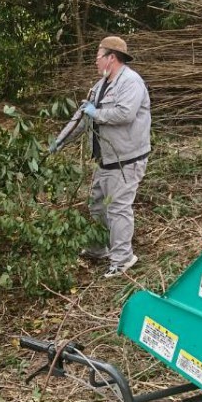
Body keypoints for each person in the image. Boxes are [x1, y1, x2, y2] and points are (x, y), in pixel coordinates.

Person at [50, 36, 152, 278]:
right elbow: (81, 117)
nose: (95, 61)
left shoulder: (131, 82)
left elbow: (125, 114)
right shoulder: (100, 86)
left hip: (126, 159)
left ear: (111, 58)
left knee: (118, 208)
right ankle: (99, 248)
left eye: (98, 56)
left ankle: (123, 258)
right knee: (97, 204)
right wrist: (59, 141)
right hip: (105, 159)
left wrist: (97, 113)